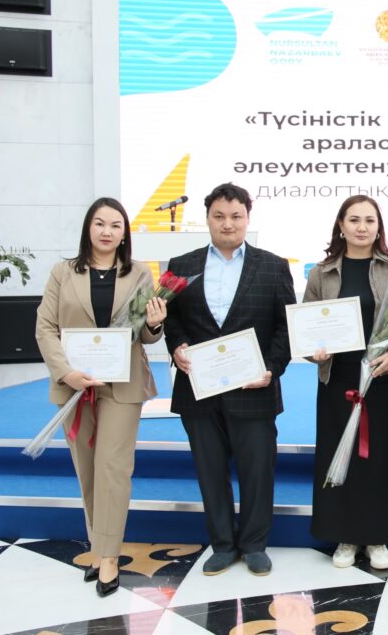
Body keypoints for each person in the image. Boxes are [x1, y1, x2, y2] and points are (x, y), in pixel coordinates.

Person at [35, 197, 167, 597]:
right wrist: (66, 373)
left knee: (113, 467)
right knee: (88, 469)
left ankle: (109, 556)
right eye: (99, 223)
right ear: (88, 228)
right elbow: (45, 328)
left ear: (124, 233)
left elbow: (145, 334)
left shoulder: (139, 273)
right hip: (75, 384)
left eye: (115, 225)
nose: (107, 231)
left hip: (122, 385)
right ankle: (99, 546)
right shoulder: (62, 273)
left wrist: (155, 324)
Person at [164, 183, 295, 577]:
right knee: (210, 471)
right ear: (207, 219)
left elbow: (286, 327)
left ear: (247, 218)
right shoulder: (181, 265)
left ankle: (254, 544)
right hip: (199, 389)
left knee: (258, 471)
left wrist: (270, 368)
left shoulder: (273, 266)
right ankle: (222, 544)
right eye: (219, 216)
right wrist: (177, 345)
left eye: (236, 216)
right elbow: (171, 319)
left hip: (253, 388)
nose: (227, 223)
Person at [303, 195, 388, 571]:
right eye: (354, 220)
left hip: (383, 377)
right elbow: (306, 328)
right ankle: (346, 537)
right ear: (341, 225)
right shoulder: (321, 272)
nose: (362, 227)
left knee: (379, 458)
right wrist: (314, 352)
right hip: (338, 378)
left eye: (370, 220)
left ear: (379, 226)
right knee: (339, 456)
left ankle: (377, 536)